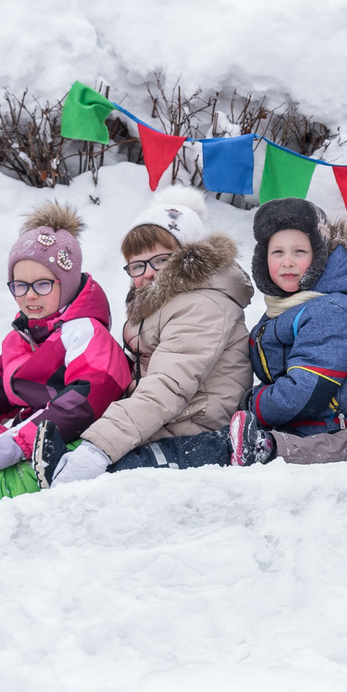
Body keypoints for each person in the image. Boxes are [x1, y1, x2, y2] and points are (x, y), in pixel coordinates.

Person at [119, 197, 347, 468]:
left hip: (337, 426)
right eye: (277, 252)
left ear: (320, 255)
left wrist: (250, 403)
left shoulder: (333, 310)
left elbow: (307, 392)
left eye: (299, 251)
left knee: (226, 450)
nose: (287, 262)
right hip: (301, 420)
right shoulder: (286, 307)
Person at [0, 201, 134, 499]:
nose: (29, 296)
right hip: (24, 435)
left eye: (42, 285)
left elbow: (83, 404)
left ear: (67, 283)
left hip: (61, 443)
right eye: (19, 286)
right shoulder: (23, 336)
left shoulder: (86, 333)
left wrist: (17, 443)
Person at [51, 187, 257, 478]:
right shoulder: (163, 305)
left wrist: (99, 447)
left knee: (102, 473)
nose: (148, 273)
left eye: (161, 260)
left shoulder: (202, 306)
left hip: (194, 433)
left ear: (191, 259)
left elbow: (166, 387)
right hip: (162, 421)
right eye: (137, 265)